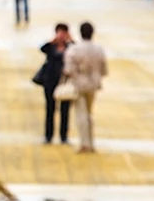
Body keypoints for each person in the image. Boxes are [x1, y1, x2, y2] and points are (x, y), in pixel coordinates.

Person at [63, 21, 107, 154]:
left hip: (79, 84)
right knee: (89, 113)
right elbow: (104, 69)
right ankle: (91, 143)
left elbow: (68, 69)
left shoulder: (74, 49)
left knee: (80, 114)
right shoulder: (98, 49)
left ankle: (84, 143)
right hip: (93, 84)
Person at [39, 23, 73, 144]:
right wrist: (52, 41)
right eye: (60, 32)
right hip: (50, 81)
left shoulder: (71, 47)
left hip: (65, 82)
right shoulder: (51, 47)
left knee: (65, 110)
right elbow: (42, 48)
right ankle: (48, 136)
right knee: (50, 109)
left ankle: (64, 136)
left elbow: (77, 52)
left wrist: (71, 40)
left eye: (64, 32)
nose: (62, 35)